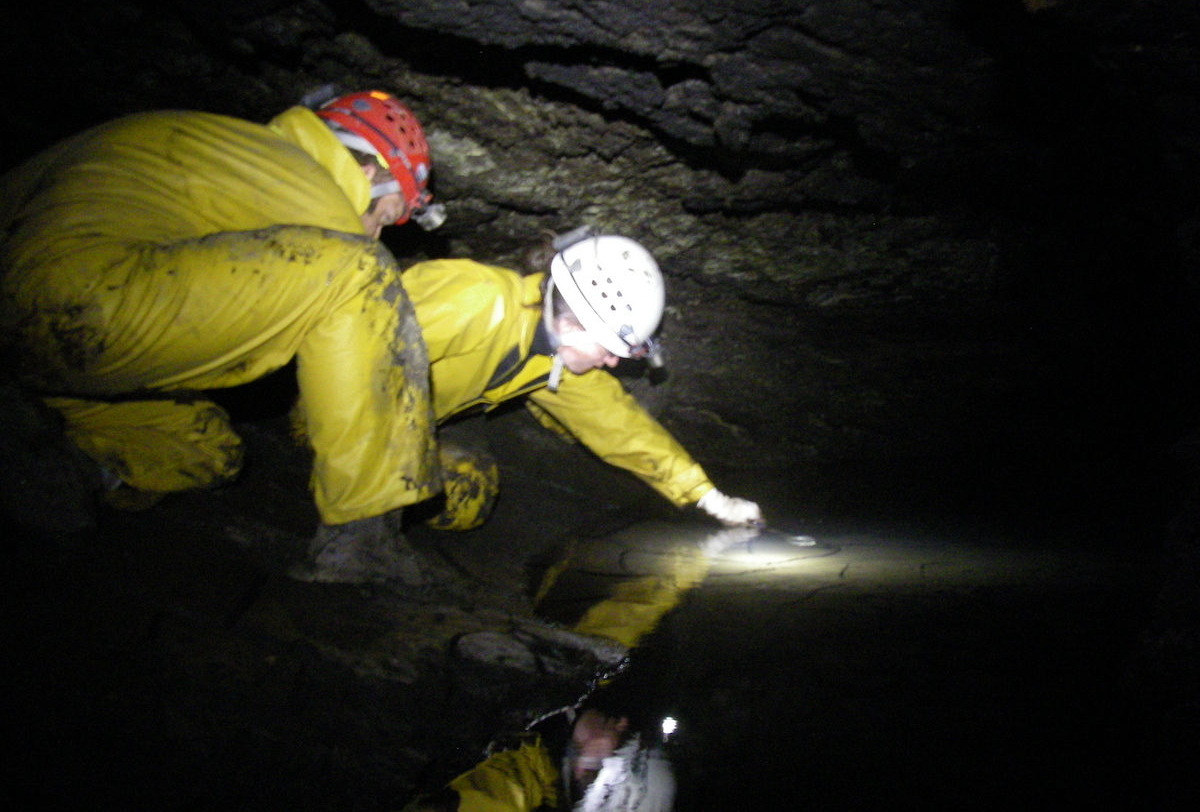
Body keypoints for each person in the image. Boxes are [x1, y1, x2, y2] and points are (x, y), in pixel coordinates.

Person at [0, 89, 446, 576]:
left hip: (42, 325)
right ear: (365, 174)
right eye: (381, 216)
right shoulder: (306, 181)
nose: (376, 232)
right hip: (80, 305)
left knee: (204, 453)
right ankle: (364, 536)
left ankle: (51, 457)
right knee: (363, 273)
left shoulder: (201, 138)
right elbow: (348, 307)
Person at [286, 227, 765, 582]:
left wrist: (708, 496)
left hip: (408, 431)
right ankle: (332, 522)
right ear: (578, 325)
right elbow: (353, 355)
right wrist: (363, 509)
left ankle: (360, 506)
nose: (615, 364)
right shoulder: (477, 301)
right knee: (379, 486)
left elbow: (619, 428)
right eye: (613, 349)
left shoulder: (551, 358)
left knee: (465, 495)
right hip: (330, 406)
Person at [361, 704, 675, 812]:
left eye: (621, 741)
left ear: (587, 773)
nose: (621, 722)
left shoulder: (504, 797)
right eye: (630, 733)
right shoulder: (566, 715)